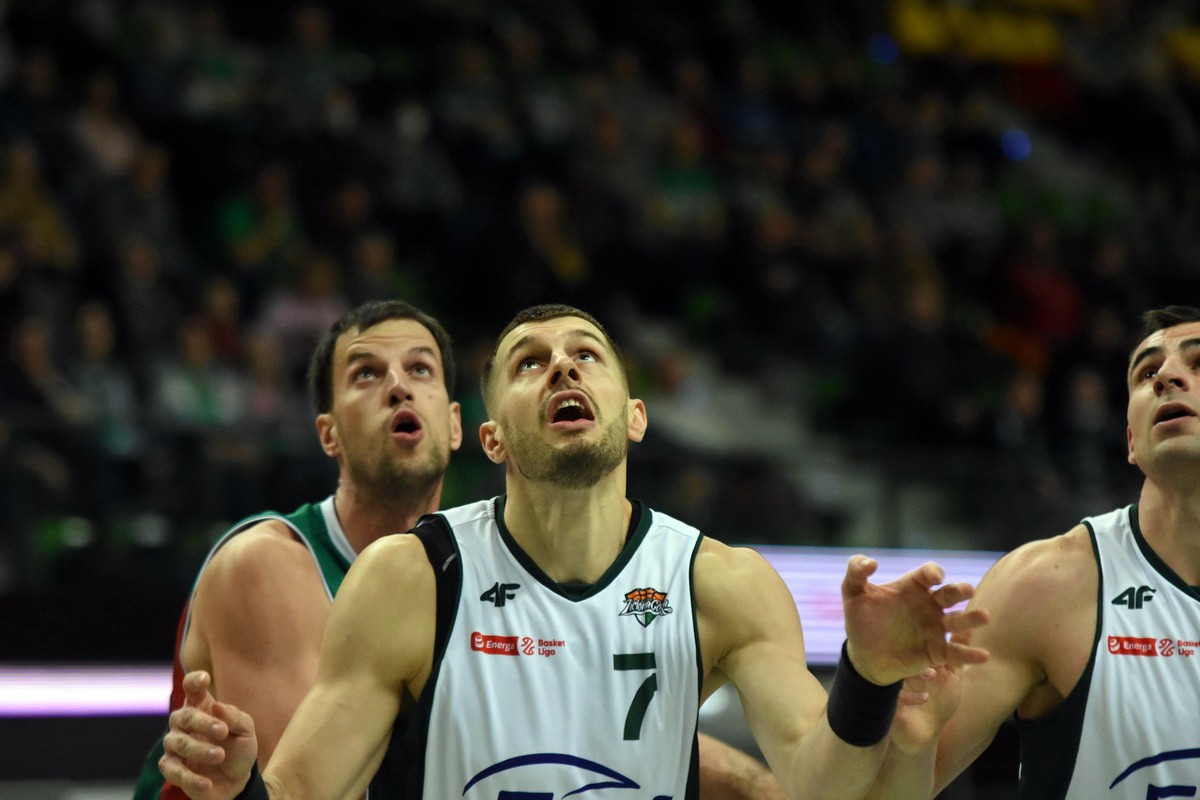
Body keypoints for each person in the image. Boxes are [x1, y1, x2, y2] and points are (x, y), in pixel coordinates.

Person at [158, 303, 989, 800]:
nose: (561, 366)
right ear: (490, 437)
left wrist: (868, 680)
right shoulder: (411, 577)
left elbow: (818, 783)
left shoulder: (721, 582)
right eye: (529, 362)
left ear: (634, 416)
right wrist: (239, 793)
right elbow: (304, 791)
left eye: (586, 354)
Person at [867, 304, 1200, 799]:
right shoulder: (1046, 584)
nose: (1166, 377)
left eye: (1198, 363)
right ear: (1131, 440)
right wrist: (896, 727)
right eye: (1146, 372)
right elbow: (887, 794)